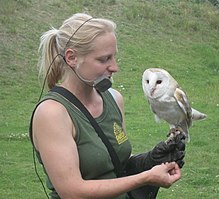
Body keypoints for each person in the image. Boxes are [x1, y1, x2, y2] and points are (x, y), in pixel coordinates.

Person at [29, 13, 186, 199]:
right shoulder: (52, 113)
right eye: (104, 59)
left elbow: (115, 166)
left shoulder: (113, 99)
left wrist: (151, 160)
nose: (114, 67)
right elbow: (72, 192)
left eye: (114, 57)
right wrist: (145, 177)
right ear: (71, 58)